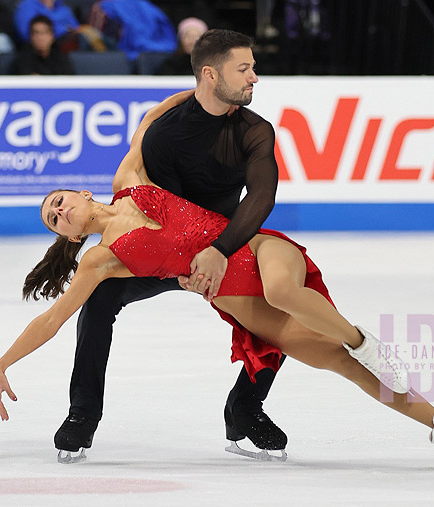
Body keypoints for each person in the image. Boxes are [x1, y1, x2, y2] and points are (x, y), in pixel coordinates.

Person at [0, 101, 434, 466]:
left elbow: (153, 119)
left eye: (59, 202)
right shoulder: (100, 262)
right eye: (54, 220)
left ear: (80, 192)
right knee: (351, 372)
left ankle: (363, 340)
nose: (61, 213)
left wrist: (202, 93)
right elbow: (53, 318)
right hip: (244, 304)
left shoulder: (132, 181)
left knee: (289, 293)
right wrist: (2, 363)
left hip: (257, 250)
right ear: (70, 234)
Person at [53, 29, 289, 461]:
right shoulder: (161, 138)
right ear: (210, 75)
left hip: (219, 244)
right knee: (99, 301)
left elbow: (261, 197)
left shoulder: (249, 132)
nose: (254, 77)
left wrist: (220, 249)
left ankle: (246, 407)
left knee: (282, 304)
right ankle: (82, 415)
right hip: (159, 249)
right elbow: (153, 131)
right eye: (244, 69)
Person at [14, 0, 79, 44]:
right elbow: (26, 34)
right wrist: (65, 29)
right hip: (34, 51)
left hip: (64, 47)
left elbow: (75, 27)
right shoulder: (27, 6)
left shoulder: (62, 7)